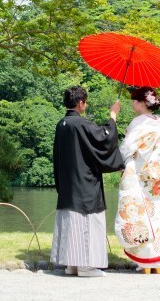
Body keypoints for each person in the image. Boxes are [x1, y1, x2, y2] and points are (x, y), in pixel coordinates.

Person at [51, 86, 125, 277]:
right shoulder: (81, 124)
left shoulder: (62, 124)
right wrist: (113, 115)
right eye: (86, 101)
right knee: (86, 223)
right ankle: (85, 266)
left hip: (68, 182)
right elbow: (105, 139)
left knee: (70, 222)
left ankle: (71, 265)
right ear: (80, 103)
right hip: (84, 183)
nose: (86, 104)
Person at [113, 86, 160, 274]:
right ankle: (159, 261)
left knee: (140, 215)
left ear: (142, 103)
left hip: (140, 176)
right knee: (156, 215)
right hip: (157, 177)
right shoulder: (158, 123)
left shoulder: (139, 123)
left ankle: (146, 261)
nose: (132, 104)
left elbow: (126, 148)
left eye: (134, 101)